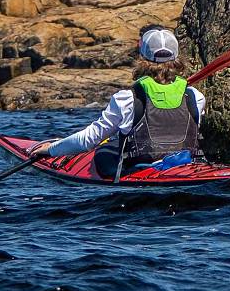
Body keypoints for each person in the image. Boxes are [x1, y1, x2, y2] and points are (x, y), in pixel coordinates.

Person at [26, 26, 204, 179]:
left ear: (142, 58)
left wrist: (50, 150)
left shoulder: (127, 99)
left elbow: (88, 140)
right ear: (177, 59)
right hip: (188, 167)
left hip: (143, 171)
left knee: (103, 151)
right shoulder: (195, 97)